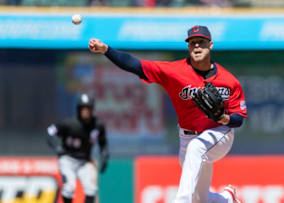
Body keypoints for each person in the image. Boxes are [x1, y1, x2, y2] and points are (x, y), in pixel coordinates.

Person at [88, 25, 246, 203]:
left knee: (196, 149)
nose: (196, 46)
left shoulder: (229, 80)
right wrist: (106, 50)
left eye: (201, 42)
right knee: (200, 199)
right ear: (188, 47)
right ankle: (227, 198)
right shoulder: (174, 71)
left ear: (210, 45)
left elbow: (238, 119)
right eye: (192, 43)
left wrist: (223, 118)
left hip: (220, 133)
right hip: (187, 136)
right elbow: (135, 65)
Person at [46, 93, 109, 203]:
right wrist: (57, 147)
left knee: (91, 189)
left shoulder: (97, 125)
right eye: (83, 108)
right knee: (69, 187)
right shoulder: (69, 123)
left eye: (88, 108)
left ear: (92, 109)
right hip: (68, 159)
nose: (86, 111)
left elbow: (103, 142)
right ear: (78, 109)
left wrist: (104, 155)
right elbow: (50, 132)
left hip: (85, 161)